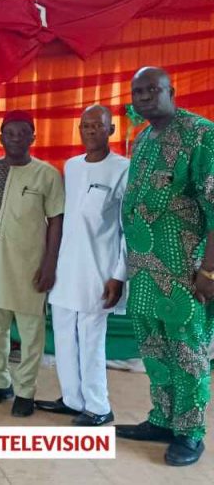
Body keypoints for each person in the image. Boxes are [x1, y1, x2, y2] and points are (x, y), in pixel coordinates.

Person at [115, 67, 214, 466]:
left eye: (152, 89)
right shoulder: (143, 138)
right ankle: (162, 418)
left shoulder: (201, 134)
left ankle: (190, 431)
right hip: (144, 270)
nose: (143, 97)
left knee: (188, 350)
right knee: (154, 349)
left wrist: (209, 270)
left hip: (184, 272)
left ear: (171, 91)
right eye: (137, 91)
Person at [35, 105, 128, 427]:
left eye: (97, 126)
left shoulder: (122, 169)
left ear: (110, 130)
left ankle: (99, 405)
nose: (90, 131)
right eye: (85, 126)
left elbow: (128, 229)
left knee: (90, 340)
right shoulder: (71, 166)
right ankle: (73, 399)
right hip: (66, 268)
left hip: (98, 272)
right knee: (62, 335)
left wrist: (118, 275)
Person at [0, 110, 64, 418]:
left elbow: (56, 221)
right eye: (9, 133)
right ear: (0, 137)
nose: (15, 139)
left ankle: (26, 391)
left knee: (30, 334)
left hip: (28, 266)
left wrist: (50, 263)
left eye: (22, 133)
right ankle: (0, 383)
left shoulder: (46, 174)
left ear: (32, 138)